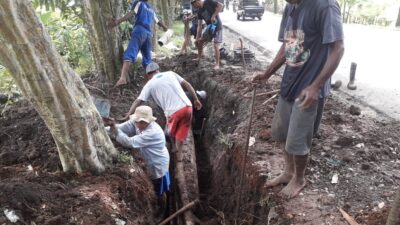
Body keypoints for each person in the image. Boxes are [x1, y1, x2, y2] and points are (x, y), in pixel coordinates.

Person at [252, 0, 344, 198]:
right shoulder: (291, 6)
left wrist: (316, 86)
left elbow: (338, 48)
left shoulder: (325, 6)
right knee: (282, 133)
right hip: (289, 84)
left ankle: (299, 178)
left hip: (309, 89)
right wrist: (267, 73)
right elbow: (289, 46)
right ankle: (288, 172)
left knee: (298, 139)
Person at [122, 62, 202, 159]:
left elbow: (138, 101)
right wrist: (196, 99)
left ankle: (173, 149)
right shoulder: (171, 73)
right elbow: (188, 85)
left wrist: (128, 114)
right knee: (180, 135)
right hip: (188, 107)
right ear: (158, 70)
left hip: (173, 113)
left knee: (168, 134)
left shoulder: (149, 84)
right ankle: (179, 157)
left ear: (147, 75)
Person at [104, 105, 170, 212]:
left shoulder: (153, 132)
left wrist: (114, 129)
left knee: (159, 190)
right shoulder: (135, 122)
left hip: (157, 163)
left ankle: (162, 211)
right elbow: (120, 128)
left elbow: (129, 143)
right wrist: (103, 128)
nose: (137, 124)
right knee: (153, 187)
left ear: (147, 122)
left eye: (141, 122)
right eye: (137, 121)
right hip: (149, 160)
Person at [109, 0, 168, 87]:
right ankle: (150, 83)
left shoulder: (138, 2)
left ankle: (123, 78)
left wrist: (118, 21)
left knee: (130, 53)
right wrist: (165, 28)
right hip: (148, 35)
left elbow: (131, 13)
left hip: (139, 30)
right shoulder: (151, 9)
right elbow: (158, 21)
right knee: (147, 60)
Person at [192, 0, 224, 69]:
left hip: (217, 26)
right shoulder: (199, 12)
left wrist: (214, 15)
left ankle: (217, 64)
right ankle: (199, 58)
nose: (195, 7)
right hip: (209, 28)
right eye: (194, 6)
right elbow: (199, 26)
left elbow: (221, 5)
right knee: (199, 42)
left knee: (215, 45)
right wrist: (197, 38)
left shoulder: (208, 2)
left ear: (198, 1)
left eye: (195, 5)